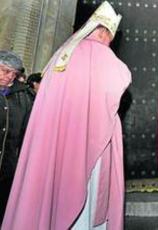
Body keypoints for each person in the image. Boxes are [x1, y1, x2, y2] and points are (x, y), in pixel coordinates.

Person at [1, 1, 131, 230]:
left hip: (58, 141)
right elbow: (120, 79)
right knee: (87, 197)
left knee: (53, 191)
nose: (109, 42)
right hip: (91, 141)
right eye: (109, 36)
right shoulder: (102, 55)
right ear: (102, 32)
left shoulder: (61, 54)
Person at [0, 51, 34, 224]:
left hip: (7, 170)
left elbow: (28, 133)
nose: (10, 77)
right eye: (5, 71)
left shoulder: (24, 97)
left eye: (14, 73)